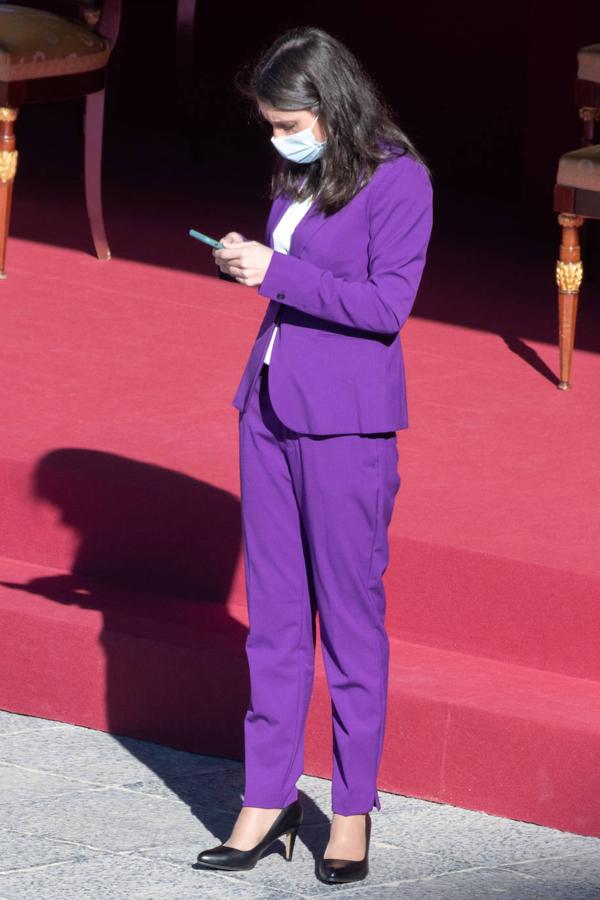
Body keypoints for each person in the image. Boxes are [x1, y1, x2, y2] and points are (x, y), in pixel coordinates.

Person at [196, 25, 433, 885]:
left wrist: (277, 273)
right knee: (277, 624)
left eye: (286, 120)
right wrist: (247, 264)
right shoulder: (303, 166)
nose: (276, 136)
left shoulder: (400, 179)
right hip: (266, 406)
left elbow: (384, 307)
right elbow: (294, 271)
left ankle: (353, 808)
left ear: (330, 104)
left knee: (351, 625)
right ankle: (267, 799)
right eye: (268, 124)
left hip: (345, 428)